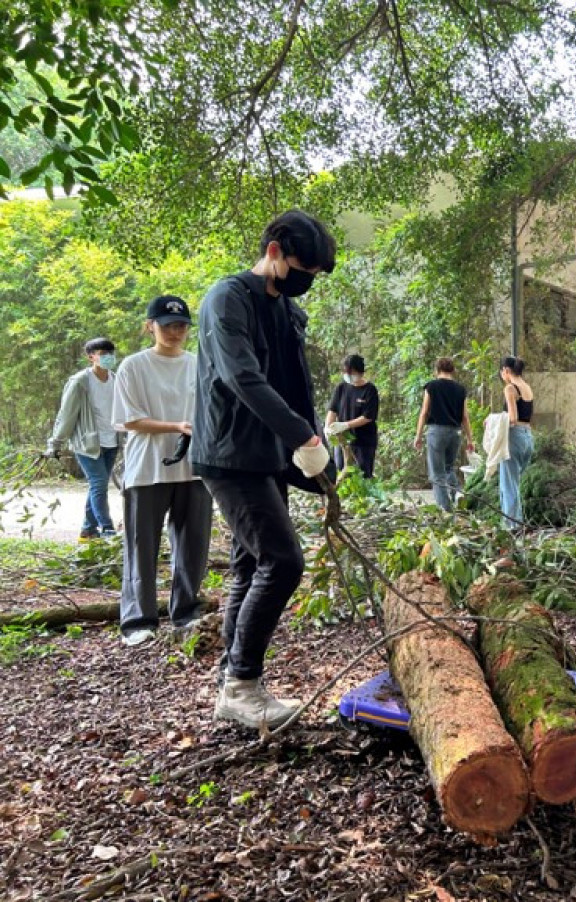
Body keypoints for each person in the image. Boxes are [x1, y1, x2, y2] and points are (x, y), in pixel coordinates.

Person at [191, 209, 337, 729]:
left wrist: (318, 451)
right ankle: (241, 685)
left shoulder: (284, 310)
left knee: (250, 566)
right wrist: (300, 434)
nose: (307, 283)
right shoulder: (226, 299)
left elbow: (296, 384)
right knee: (284, 561)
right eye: (304, 269)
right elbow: (242, 378)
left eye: (315, 276)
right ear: (274, 251)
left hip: (268, 454)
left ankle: (232, 679)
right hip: (230, 454)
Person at [112, 296, 213, 647]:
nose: (175, 331)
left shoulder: (199, 364)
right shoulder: (133, 366)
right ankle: (138, 620)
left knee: (193, 544)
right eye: (167, 325)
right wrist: (176, 426)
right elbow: (129, 419)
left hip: (194, 466)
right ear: (149, 325)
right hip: (147, 468)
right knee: (142, 545)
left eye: (181, 325)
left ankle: (185, 612)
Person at [45, 337, 122, 539]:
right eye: (103, 355)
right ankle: (107, 529)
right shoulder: (80, 382)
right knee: (99, 485)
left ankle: (88, 529)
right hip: (87, 444)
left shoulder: (116, 379)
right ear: (91, 357)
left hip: (112, 441)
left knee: (99, 485)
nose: (108, 358)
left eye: (111, 354)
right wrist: (56, 443)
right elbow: (67, 414)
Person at [413, 357, 474, 510]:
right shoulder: (460, 389)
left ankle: (444, 507)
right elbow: (465, 416)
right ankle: (457, 495)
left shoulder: (431, 387)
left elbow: (424, 412)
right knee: (449, 468)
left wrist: (418, 435)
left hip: (436, 431)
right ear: (453, 371)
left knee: (437, 473)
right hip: (455, 432)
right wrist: (470, 439)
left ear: (436, 370)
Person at [325, 354, 380, 478]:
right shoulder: (341, 388)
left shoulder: (370, 390)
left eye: (351, 372)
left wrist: (345, 425)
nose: (348, 375)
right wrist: (328, 428)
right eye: (346, 372)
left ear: (360, 371)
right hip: (342, 440)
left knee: (362, 475)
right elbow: (332, 410)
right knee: (342, 474)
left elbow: (368, 416)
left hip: (363, 442)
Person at [498, 355, 534, 530]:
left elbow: (512, 418)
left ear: (506, 371)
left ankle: (512, 526)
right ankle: (516, 522)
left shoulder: (510, 388)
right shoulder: (526, 387)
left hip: (514, 437)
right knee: (515, 483)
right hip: (528, 437)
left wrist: (492, 420)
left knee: (509, 484)